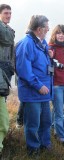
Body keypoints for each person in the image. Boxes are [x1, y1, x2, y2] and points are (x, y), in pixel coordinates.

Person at [15, 15, 53, 157]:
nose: (48, 29)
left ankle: (45, 144)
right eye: (46, 27)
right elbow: (24, 70)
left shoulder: (42, 43)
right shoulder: (26, 44)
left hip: (44, 92)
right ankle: (33, 149)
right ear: (39, 29)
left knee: (46, 121)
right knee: (32, 124)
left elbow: (44, 66)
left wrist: (50, 56)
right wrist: (38, 86)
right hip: (33, 92)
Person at [0, 4, 15, 158]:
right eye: (6, 13)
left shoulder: (8, 29)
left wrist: (12, 68)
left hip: (5, 72)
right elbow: (6, 40)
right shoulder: (4, 30)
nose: (9, 16)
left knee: (2, 103)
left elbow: (11, 53)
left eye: (10, 13)